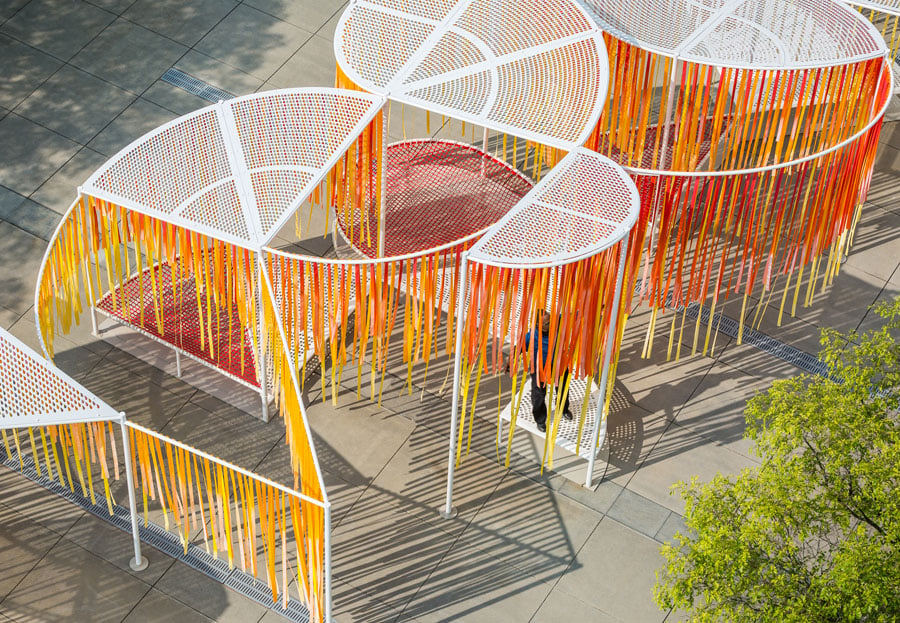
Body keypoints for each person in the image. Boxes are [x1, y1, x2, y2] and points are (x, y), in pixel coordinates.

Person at [525, 312, 573, 433]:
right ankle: (540, 420)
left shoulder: (557, 323)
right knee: (539, 395)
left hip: (558, 364)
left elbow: (574, 313)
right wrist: (509, 360)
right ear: (538, 325)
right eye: (547, 323)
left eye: (551, 320)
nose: (551, 324)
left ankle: (563, 409)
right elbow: (519, 347)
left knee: (563, 388)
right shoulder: (531, 336)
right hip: (539, 368)